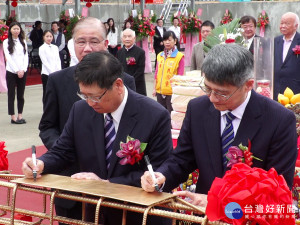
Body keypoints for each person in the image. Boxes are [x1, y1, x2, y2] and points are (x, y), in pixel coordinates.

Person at [23, 51, 172, 225]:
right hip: (94, 214)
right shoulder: (80, 110)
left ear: (118, 85)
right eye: (84, 95)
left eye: (95, 97)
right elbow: (62, 151)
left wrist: (105, 184)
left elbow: (159, 171)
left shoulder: (154, 115)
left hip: (138, 215)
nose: (89, 102)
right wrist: (41, 163)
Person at [141, 44, 297, 207]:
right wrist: (161, 176)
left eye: (222, 93)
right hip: (203, 216)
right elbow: (182, 158)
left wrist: (220, 202)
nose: (212, 98)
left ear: (248, 85)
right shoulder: (198, 109)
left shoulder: (279, 120)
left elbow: (278, 189)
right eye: (207, 88)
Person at [38, 17, 135, 224]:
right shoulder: (57, 81)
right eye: (81, 42)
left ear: (106, 44)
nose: (87, 48)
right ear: (72, 45)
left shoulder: (125, 82)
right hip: (71, 182)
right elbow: (47, 126)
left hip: (113, 188)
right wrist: (68, 148)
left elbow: (135, 127)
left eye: (94, 41)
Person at [3, 22, 28, 124]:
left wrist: (23, 69)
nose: (16, 31)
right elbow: (8, 58)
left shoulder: (23, 41)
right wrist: (17, 70)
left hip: (22, 71)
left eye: (18, 29)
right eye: (14, 29)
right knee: (11, 94)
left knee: (21, 94)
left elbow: (26, 56)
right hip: (11, 71)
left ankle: (20, 115)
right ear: (10, 30)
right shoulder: (6, 42)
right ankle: (13, 116)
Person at [153, 31, 184, 113]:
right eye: (165, 40)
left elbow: (180, 76)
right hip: (160, 91)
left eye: (169, 40)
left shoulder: (179, 56)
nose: (167, 42)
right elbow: (156, 73)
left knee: (171, 114)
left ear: (175, 41)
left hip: (171, 92)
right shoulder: (160, 55)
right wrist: (154, 88)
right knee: (160, 114)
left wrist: (178, 91)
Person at [274, 12, 300, 99]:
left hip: (295, 90)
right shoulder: (276, 41)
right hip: (277, 89)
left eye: (287, 23)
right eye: (282, 23)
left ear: (296, 26)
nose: (283, 26)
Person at [117, 29, 146, 96]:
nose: (127, 39)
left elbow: (140, 71)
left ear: (134, 38)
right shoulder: (119, 52)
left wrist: (130, 82)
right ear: (122, 39)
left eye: (129, 36)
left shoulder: (140, 52)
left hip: (137, 85)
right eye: (125, 36)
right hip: (123, 85)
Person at [39, 30, 61, 103]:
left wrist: (58, 71)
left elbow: (58, 60)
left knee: (55, 92)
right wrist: (52, 72)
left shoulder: (55, 47)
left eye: (50, 36)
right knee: (46, 92)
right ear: (43, 37)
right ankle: (45, 110)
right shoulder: (42, 48)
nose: (49, 38)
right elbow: (44, 62)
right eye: (47, 36)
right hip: (46, 73)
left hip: (56, 73)